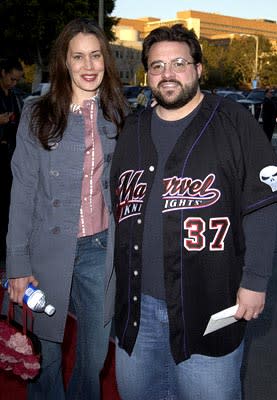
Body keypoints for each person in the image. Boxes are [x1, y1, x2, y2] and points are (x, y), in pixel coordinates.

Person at [110, 24, 277, 400]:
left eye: (179, 63)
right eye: (157, 66)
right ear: (147, 74)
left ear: (199, 69)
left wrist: (255, 280)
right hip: (139, 310)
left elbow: (264, 206)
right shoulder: (133, 130)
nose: (167, 73)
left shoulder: (235, 122)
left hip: (209, 306)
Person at [4, 18, 127, 400]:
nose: (88, 66)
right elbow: (22, 192)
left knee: (93, 358)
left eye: (95, 56)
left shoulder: (117, 115)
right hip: (46, 251)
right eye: (78, 57)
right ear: (64, 62)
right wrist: (18, 266)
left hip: (100, 250)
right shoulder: (37, 114)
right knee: (46, 357)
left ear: (105, 61)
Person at [0, 57, 24, 261]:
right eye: (12, 79)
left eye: (17, 80)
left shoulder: (15, 97)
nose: (14, 83)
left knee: (10, 204)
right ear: (3, 73)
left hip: (10, 157)